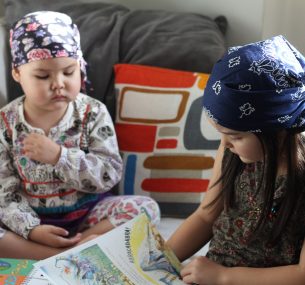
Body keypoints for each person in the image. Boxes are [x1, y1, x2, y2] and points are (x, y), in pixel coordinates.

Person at [0, 11, 160, 259]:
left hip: (89, 216)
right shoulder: (5, 124)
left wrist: (59, 157)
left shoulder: (92, 112)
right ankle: (45, 252)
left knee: (146, 209)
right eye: (43, 76)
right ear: (17, 73)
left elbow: (109, 174)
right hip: (29, 221)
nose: (58, 83)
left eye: (69, 72)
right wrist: (32, 229)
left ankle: (77, 245)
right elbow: (4, 193)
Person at [167, 35, 305, 285]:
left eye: (235, 136)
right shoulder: (233, 151)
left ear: (278, 131)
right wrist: (159, 261)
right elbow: (205, 217)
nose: (225, 144)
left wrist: (223, 277)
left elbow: (302, 274)